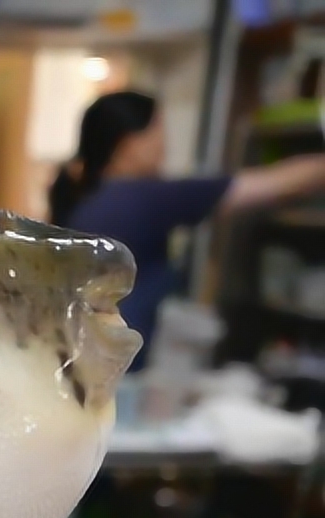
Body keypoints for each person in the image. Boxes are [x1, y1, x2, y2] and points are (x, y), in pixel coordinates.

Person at [49, 90, 325, 371]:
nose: (164, 145)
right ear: (131, 142)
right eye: (158, 132)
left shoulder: (87, 199)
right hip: (114, 368)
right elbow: (272, 185)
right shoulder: (142, 197)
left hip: (84, 359)